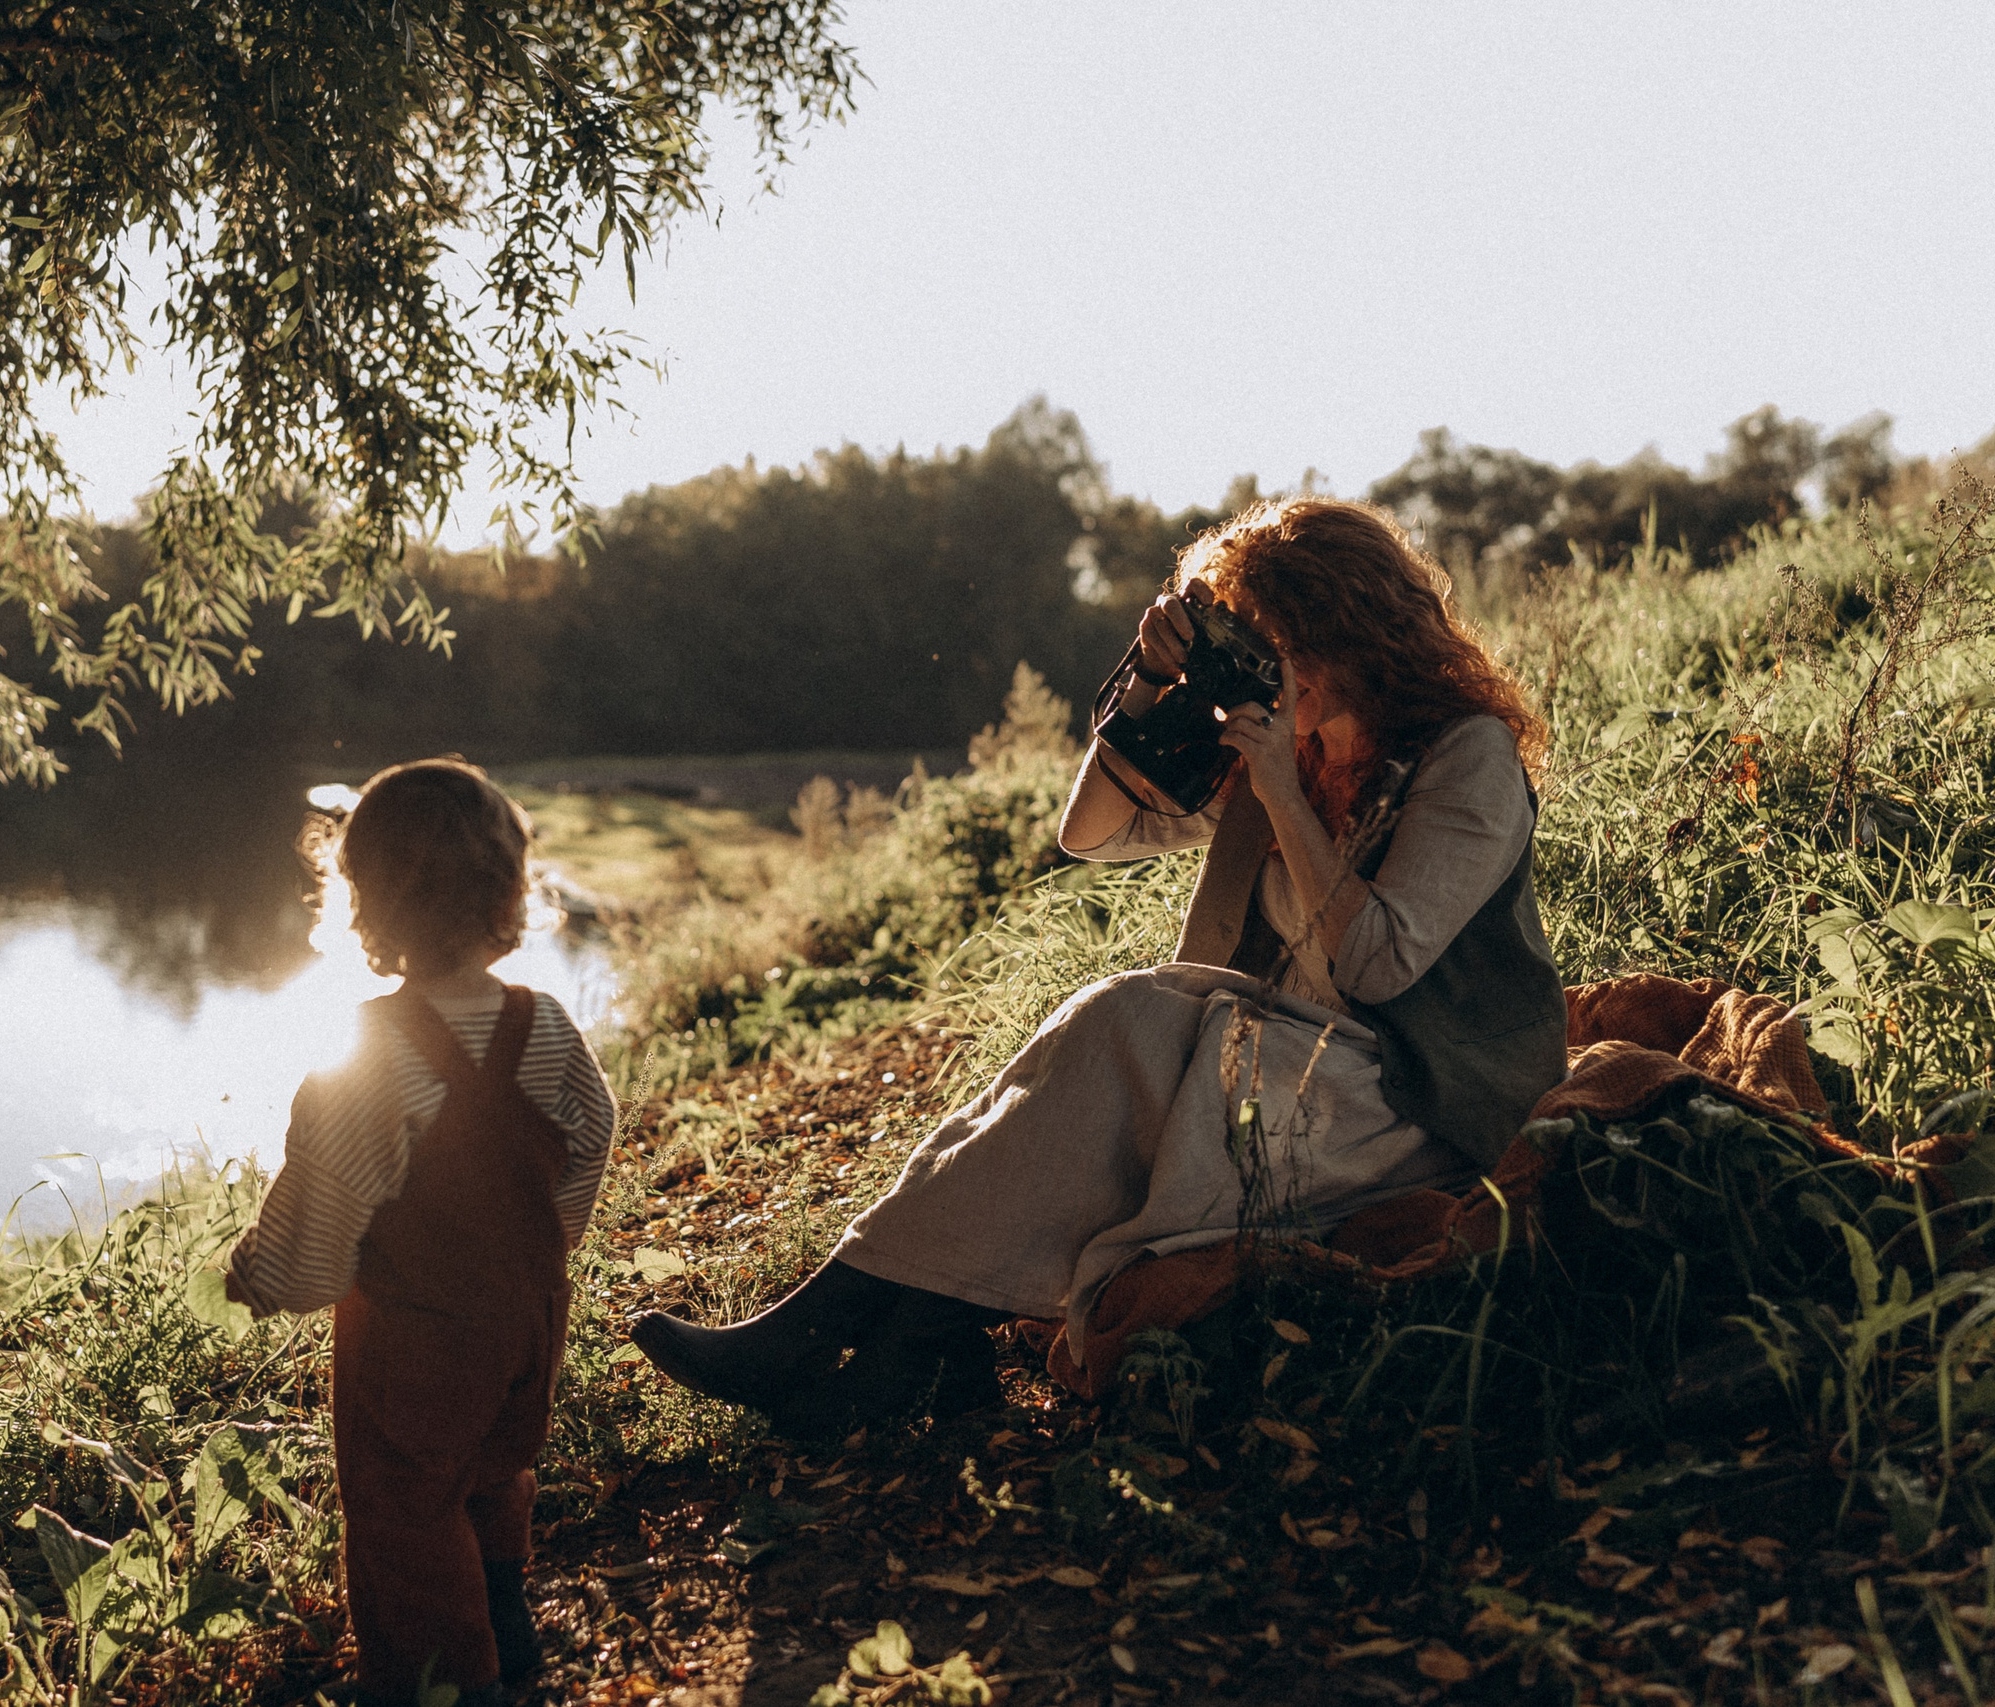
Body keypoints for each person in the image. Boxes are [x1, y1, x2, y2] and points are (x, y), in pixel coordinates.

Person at [629, 496, 1567, 1436]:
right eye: (1238, 639)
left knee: (1122, 1024)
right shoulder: (1280, 741)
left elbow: (1377, 966)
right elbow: (1091, 832)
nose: (1252, 666)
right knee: (1096, 1059)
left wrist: (1279, 785)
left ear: (1341, 631)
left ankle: (855, 1336)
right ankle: (901, 1346)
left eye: (1267, 640)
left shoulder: (1464, 756)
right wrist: (1152, 686)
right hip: (1280, 1062)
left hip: (1411, 1102)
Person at [222, 759, 616, 1706]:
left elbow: (321, 1230)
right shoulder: (548, 1026)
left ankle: (446, 1679)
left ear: (363, 903)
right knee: (493, 1464)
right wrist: (540, 1246)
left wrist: (257, 1273)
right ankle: (502, 1615)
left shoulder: (367, 1060)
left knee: (407, 1512)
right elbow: (590, 1139)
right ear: (509, 892)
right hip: (527, 1319)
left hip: (416, 1339)